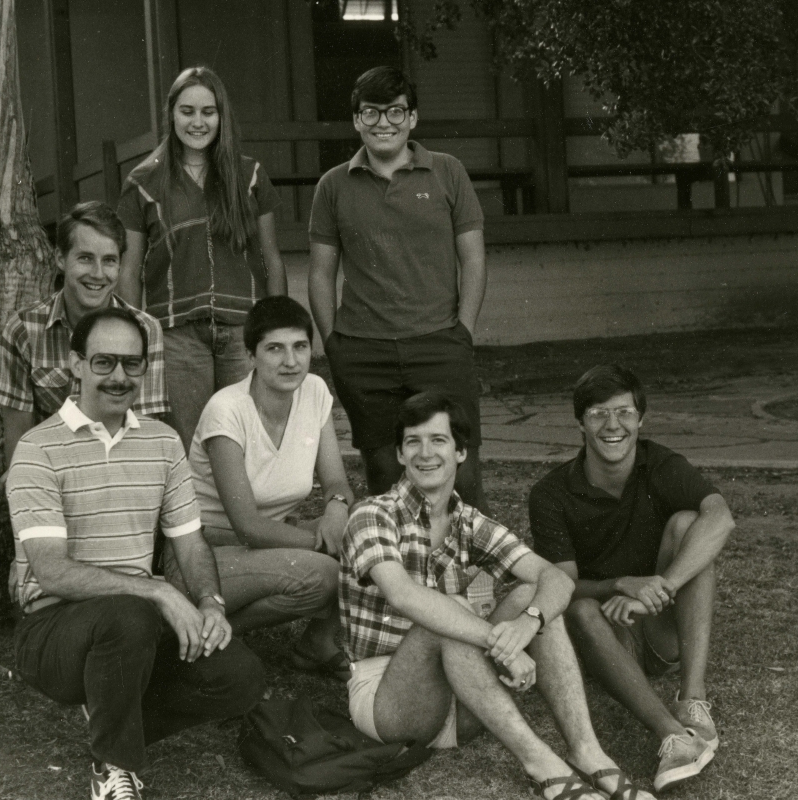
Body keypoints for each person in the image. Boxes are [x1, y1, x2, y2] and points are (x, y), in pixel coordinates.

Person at [340, 392, 656, 800]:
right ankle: (543, 765)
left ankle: (588, 752)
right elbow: (403, 596)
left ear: (460, 452)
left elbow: (555, 579)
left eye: (438, 440)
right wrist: (500, 644)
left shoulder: (469, 522)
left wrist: (529, 623)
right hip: (389, 702)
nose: (425, 453)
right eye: (413, 442)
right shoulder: (372, 515)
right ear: (400, 455)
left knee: (533, 594)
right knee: (449, 612)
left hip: (464, 691)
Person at [6, 306, 267, 800]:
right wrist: (158, 592)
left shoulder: (163, 442)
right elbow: (51, 573)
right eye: (104, 363)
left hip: (135, 626)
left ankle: (112, 714)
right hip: (52, 630)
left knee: (240, 677)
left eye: (132, 364)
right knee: (130, 614)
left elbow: (190, 543)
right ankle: (112, 766)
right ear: (76, 364)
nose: (119, 376)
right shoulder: (37, 449)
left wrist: (210, 602)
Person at [529, 365, 734, 792]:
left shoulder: (658, 463)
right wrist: (621, 584)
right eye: (598, 413)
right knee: (582, 608)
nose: (612, 425)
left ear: (641, 419)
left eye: (623, 412)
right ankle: (672, 736)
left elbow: (721, 519)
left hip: (658, 623)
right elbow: (562, 588)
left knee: (688, 525)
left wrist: (661, 587)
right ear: (580, 423)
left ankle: (692, 702)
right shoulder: (551, 492)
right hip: (603, 634)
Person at [308, 66, 488, 511]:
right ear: (356, 121)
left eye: (394, 112)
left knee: (460, 468)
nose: (383, 123)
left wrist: (462, 332)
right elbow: (319, 273)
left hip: (439, 344)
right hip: (364, 353)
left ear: (412, 119)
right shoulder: (332, 185)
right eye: (371, 113)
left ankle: (473, 575)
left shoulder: (448, 172)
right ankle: (400, 574)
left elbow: (474, 259)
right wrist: (334, 345)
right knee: (385, 472)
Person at [181, 296, 354, 678]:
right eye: (274, 348)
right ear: (250, 355)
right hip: (208, 552)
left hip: (273, 541)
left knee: (370, 525)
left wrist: (338, 509)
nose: (290, 361)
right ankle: (212, 634)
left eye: (300, 347)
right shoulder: (227, 410)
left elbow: (337, 481)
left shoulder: (314, 391)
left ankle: (317, 644)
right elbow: (247, 525)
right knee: (326, 573)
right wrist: (325, 546)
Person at [117, 66, 288, 449]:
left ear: (221, 116)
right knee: (191, 448)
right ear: (171, 114)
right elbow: (129, 271)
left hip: (243, 331)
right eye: (187, 111)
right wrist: (135, 334)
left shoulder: (249, 174)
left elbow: (271, 257)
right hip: (177, 336)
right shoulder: (143, 182)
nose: (198, 122)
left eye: (208, 112)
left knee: (248, 443)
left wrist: (275, 325)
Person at [0, 201, 167, 478]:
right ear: (60, 259)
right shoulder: (23, 329)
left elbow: (144, 431)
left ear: (120, 265)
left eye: (109, 260)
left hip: (122, 473)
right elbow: (19, 440)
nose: (98, 274)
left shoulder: (146, 330)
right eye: (85, 258)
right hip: (53, 473)